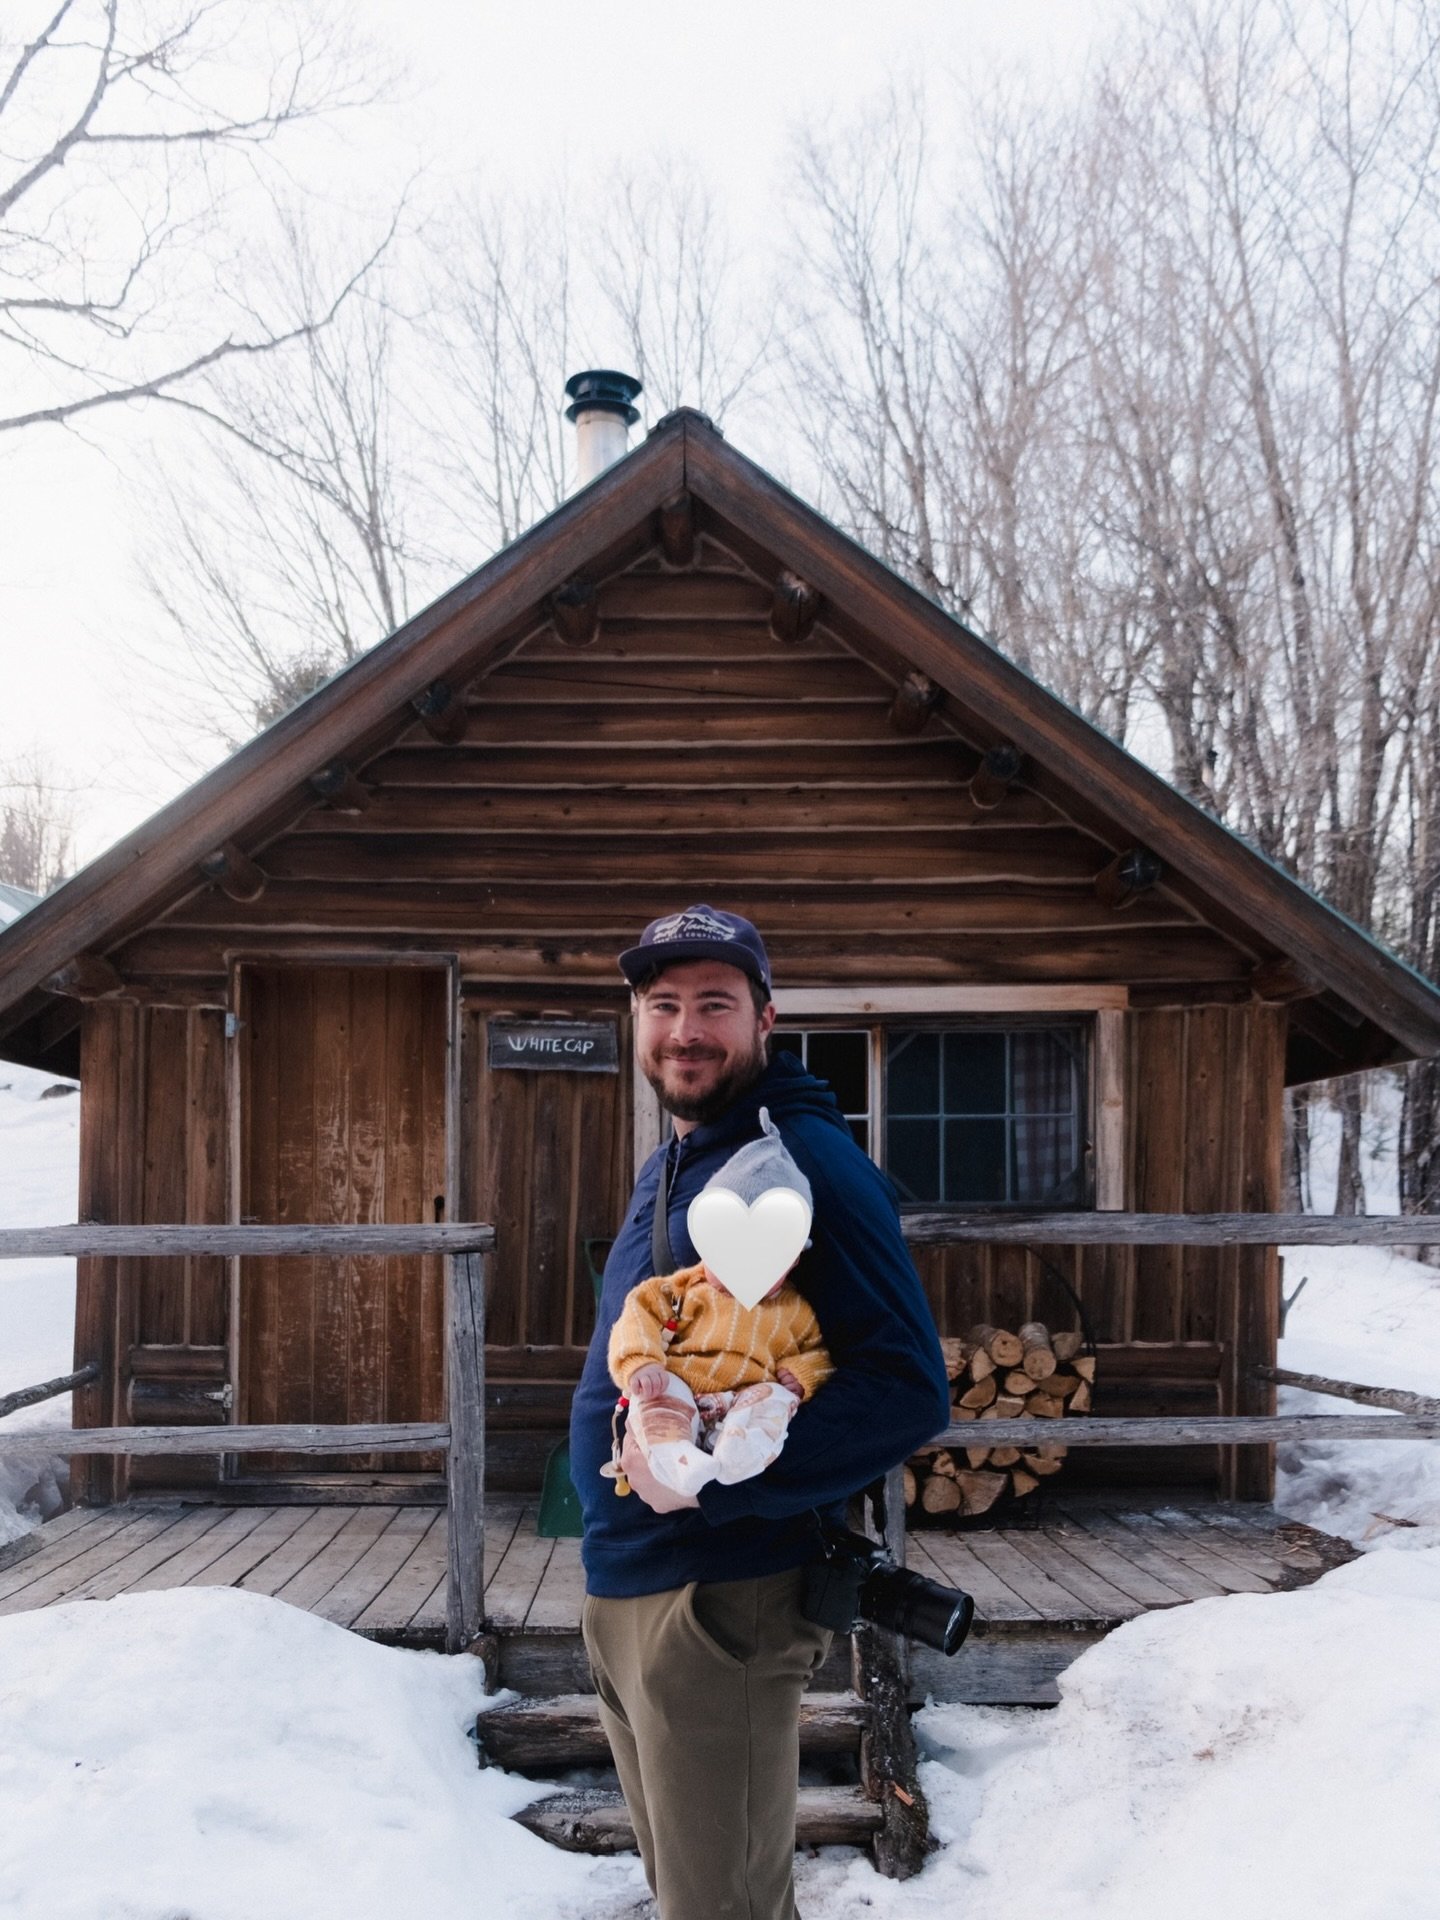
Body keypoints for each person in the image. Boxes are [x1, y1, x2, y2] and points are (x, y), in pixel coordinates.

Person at [569, 904, 951, 1920]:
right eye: (663, 1005)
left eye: (714, 1004)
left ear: (766, 1019)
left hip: (718, 1597)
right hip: (630, 1579)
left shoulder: (804, 1159)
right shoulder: (683, 1158)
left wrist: (717, 1488)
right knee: (692, 1899)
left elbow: (906, 1384)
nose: (684, 1030)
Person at [606, 1110, 834, 1494]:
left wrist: (803, 1374)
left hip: (746, 1400)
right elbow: (637, 1317)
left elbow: (819, 1354)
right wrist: (642, 1362)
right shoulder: (681, 1291)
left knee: (775, 1400)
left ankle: (740, 1456)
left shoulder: (794, 1312)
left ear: (793, 1259)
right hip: (681, 1386)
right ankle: (677, 1458)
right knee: (656, 1401)